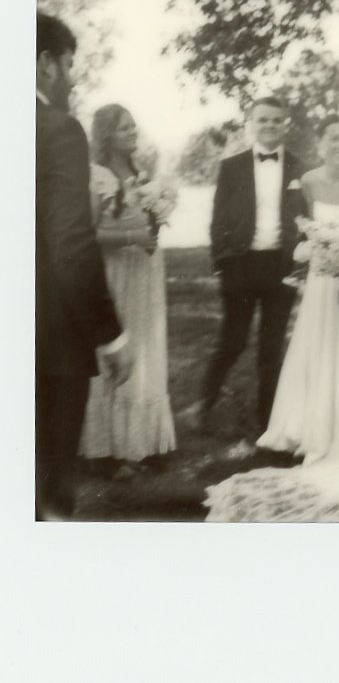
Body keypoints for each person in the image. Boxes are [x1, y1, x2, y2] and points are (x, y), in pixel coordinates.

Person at [204, 116, 339, 521]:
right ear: (320, 142)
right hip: (321, 282)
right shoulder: (309, 182)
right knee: (323, 351)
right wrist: (314, 254)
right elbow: (301, 230)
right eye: (334, 137)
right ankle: (318, 432)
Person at [36, 13, 132, 520]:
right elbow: (71, 244)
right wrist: (111, 335)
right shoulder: (56, 129)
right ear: (46, 63)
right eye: (69, 64)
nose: (73, 79)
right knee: (46, 495)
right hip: (45, 342)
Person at [199, 97, 308, 441]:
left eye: (277, 120)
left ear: (286, 124)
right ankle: (203, 405)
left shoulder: (299, 168)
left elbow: (306, 220)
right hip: (242, 266)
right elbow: (218, 220)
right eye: (263, 120)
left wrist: (300, 260)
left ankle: (268, 423)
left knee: (271, 348)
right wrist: (223, 264)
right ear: (250, 124)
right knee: (233, 340)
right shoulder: (232, 167)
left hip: (282, 266)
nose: (270, 126)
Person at [78, 104, 176, 477]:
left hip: (145, 273)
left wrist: (154, 227)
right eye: (124, 128)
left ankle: (143, 443)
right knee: (117, 352)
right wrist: (133, 236)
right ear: (106, 135)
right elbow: (87, 235)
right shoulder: (96, 176)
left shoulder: (141, 173)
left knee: (147, 349)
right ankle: (109, 452)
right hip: (116, 275)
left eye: (135, 127)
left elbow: (146, 216)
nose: (133, 133)